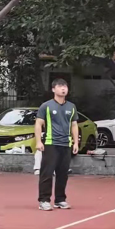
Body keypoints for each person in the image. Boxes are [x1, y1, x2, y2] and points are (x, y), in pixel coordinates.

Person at [35, 78, 79, 211]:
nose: (63, 88)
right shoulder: (46, 106)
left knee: (63, 174)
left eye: (65, 86)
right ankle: (44, 200)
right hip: (50, 143)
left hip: (66, 144)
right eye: (60, 86)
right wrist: (38, 141)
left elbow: (74, 125)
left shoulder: (71, 107)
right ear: (53, 89)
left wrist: (76, 142)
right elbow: (38, 123)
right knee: (47, 173)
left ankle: (60, 199)